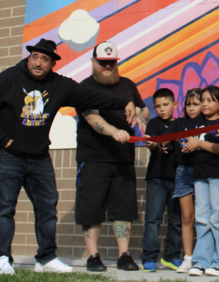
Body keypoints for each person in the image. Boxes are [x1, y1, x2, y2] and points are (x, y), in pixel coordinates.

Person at [0, 38, 137, 275]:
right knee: (5, 207)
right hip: (8, 155)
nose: (38, 62)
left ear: (52, 63)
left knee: (47, 207)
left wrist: (125, 100)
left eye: (45, 59)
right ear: (29, 58)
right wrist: (4, 140)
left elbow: (92, 97)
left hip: (39, 156)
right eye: (35, 57)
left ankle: (46, 258)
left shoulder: (60, 85)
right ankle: (2, 257)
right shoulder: (9, 78)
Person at [76, 41, 150, 272]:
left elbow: (143, 108)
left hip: (123, 158)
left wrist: (141, 117)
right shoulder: (84, 87)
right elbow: (92, 118)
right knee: (92, 208)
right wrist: (114, 131)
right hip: (93, 157)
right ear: (93, 62)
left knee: (123, 208)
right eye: (103, 63)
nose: (107, 66)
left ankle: (124, 256)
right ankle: (93, 256)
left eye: (112, 63)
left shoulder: (127, 84)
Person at [185, 86, 219, 277]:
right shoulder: (196, 122)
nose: (205, 104)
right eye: (202, 100)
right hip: (200, 175)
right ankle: (201, 261)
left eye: (209, 100)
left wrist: (199, 143)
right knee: (202, 219)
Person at [140, 88, 183, 273]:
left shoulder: (182, 124)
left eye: (165, 105)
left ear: (174, 104)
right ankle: (149, 258)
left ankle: (171, 257)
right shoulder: (153, 124)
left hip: (179, 178)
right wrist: (153, 143)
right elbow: (152, 143)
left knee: (176, 220)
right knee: (153, 219)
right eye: (157, 106)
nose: (161, 109)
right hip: (156, 177)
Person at [171, 89, 205, 272]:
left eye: (196, 104)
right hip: (183, 171)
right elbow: (166, 139)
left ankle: (203, 256)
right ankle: (188, 257)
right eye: (188, 105)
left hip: (202, 171)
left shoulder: (207, 123)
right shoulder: (178, 123)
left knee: (203, 216)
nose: (191, 108)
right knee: (186, 216)